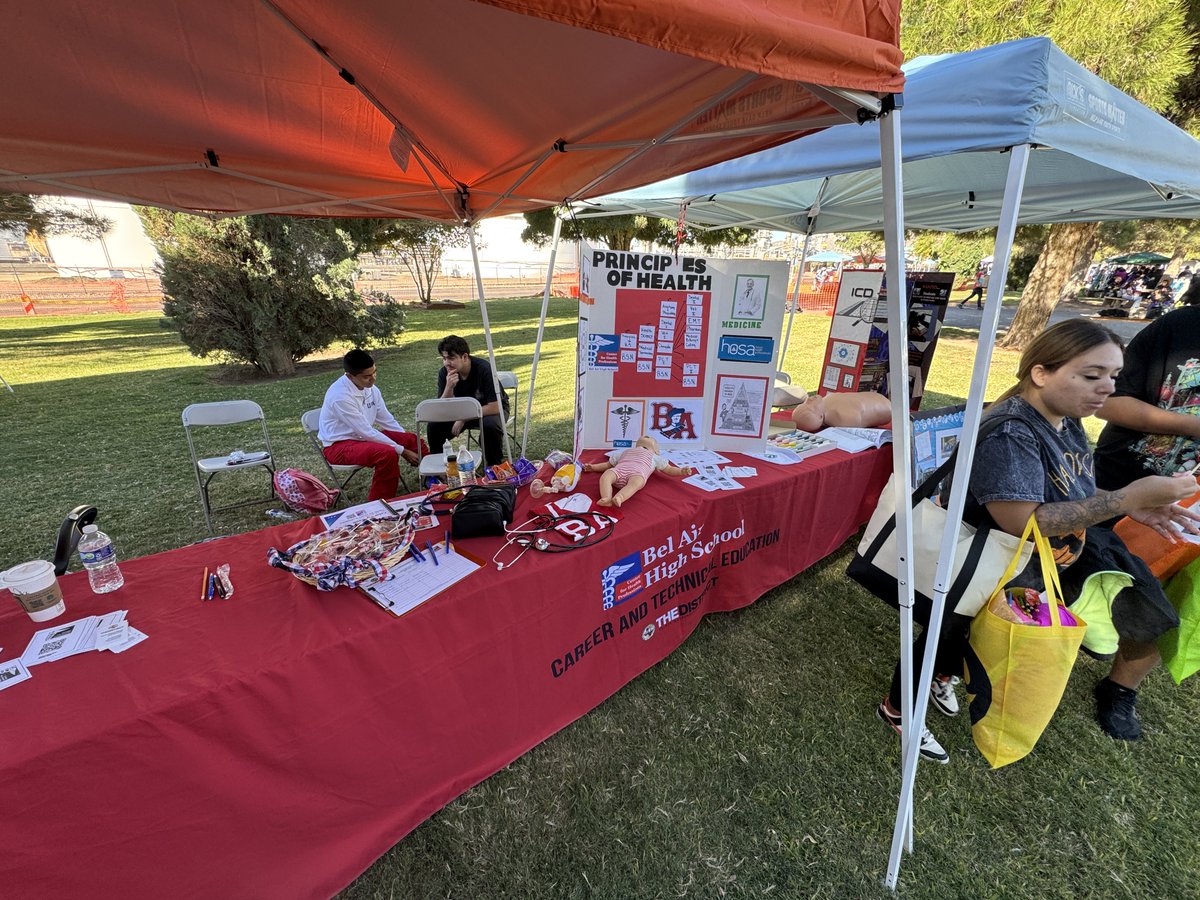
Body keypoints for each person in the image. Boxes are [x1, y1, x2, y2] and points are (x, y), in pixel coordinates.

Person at [877, 320, 1199, 761]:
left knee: (967, 634)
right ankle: (898, 709)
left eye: (1113, 376)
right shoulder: (1014, 431)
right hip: (978, 562)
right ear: (1041, 373)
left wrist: (1127, 506)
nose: (1106, 388)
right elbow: (1022, 521)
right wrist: (1126, 495)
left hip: (1012, 568)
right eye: (1092, 375)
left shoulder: (1065, 421)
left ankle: (940, 678)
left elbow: (1071, 491)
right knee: (943, 633)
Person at [1095, 288, 1200, 489]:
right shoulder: (1179, 325)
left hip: (1189, 508)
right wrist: (1194, 425)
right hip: (1121, 487)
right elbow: (1107, 403)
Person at [318, 349, 426, 502]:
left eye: (375, 372)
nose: (373, 379)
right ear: (350, 376)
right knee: (387, 453)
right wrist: (402, 451)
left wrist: (404, 440)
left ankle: (433, 478)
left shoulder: (371, 389)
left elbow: (386, 420)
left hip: (362, 438)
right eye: (366, 376)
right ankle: (379, 504)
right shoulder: (340, 396)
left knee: (412, 439)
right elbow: (366, 431)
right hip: (339, 446)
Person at [429, 335, 510, 467]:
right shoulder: (445, 373)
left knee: (489, 425)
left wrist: (463, 418)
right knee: (434, 426)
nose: (446, 363)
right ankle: (439, 470)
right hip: (461, 412)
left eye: (451, 358)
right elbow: (441, 408)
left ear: (465, 357)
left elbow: (495, 407)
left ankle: (494, 466)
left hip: (489, 410)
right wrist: (449, 387)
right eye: (444, 358)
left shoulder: (484, 369)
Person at [582, 435, 693, 507]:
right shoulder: (626, 451)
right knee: (606, 475)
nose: (646, 436)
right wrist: (594, 467)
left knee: (636, 483)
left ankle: (620, 497)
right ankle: (606, 497)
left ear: (657, 451)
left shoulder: (654, 456)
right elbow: (608, 464)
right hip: (619, 470)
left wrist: (681, 471)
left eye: (649, 440)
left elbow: (668, 469)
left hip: (636, 474)